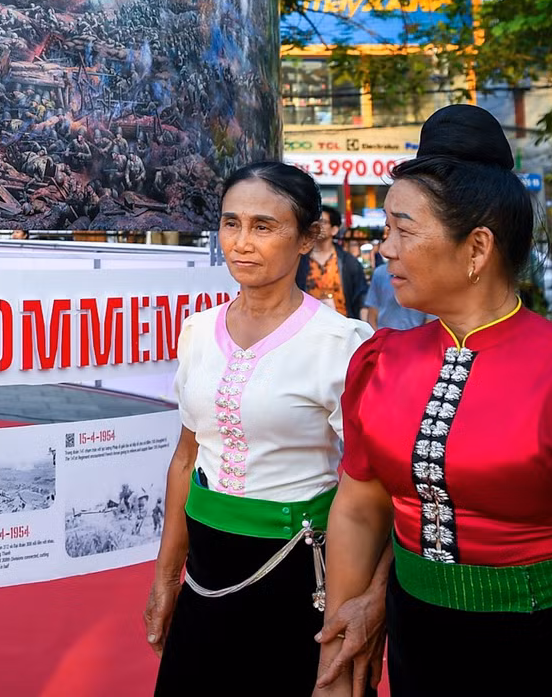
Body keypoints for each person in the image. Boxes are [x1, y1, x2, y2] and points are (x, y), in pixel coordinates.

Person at [318, 104, 552, 697]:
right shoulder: (380, 361)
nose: (384, 249)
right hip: (421, 644)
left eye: (401, 229)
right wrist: (337, 656)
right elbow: (360, 509)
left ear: (477, 248)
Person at [144, 162, 379, 696]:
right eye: (231, 224)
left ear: (307, 237)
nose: (242, 243)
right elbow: (187, 458)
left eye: (264, 227)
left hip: (301, 571)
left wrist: (367, 598)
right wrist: (165, 579)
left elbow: (372, 489)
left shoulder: (340, 343)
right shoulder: (198, 331)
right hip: (206, 572)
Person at [295, 206, 369, 318]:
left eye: (323, 222)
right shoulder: (300, 260)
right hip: (308, 324)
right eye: (315, 222)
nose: (318, 226)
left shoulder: (348, 262)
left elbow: (361, 297)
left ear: (334, 229)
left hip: (342, 325)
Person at [362, 242, 433, 332]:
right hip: (384, 339)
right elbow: (372, 315)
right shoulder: (380, 274)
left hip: (415, 341)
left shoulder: (427, 279)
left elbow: (430, 321)